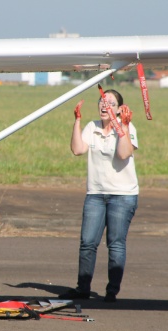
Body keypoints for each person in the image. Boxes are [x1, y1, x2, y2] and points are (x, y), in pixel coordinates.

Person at [58, 89, 138, 303]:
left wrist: (124, 126)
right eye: (102, 101)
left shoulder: (128, 128)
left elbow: (123, 154)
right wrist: (77, 121)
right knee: (87, 242)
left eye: (111, 103)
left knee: (116, 243)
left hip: (122, 195)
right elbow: (77, 150)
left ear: (120, 109)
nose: (105, 106)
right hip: (95, 193)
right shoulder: (92, 127)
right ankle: (82, 289)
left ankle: (112, 292)